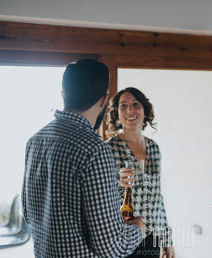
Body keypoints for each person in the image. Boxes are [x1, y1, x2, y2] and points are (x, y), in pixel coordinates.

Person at [22, 59, 146, 257]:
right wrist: (139, 228)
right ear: (104, 100)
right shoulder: (95, 150)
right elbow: (111, 247)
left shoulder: (35, 140)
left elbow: (29, 214)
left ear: (64, 94)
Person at [103, 87, 176, 258]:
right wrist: (116, 181)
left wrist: (166, 239)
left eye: (136, 104)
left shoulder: (154, 148)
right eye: (123, 106)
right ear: (117, 114)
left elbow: (158, 199)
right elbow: (98, 194)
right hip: (121, 234)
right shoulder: (107, 148)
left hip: (150, 238)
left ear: (144, 110)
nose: (130, 110)